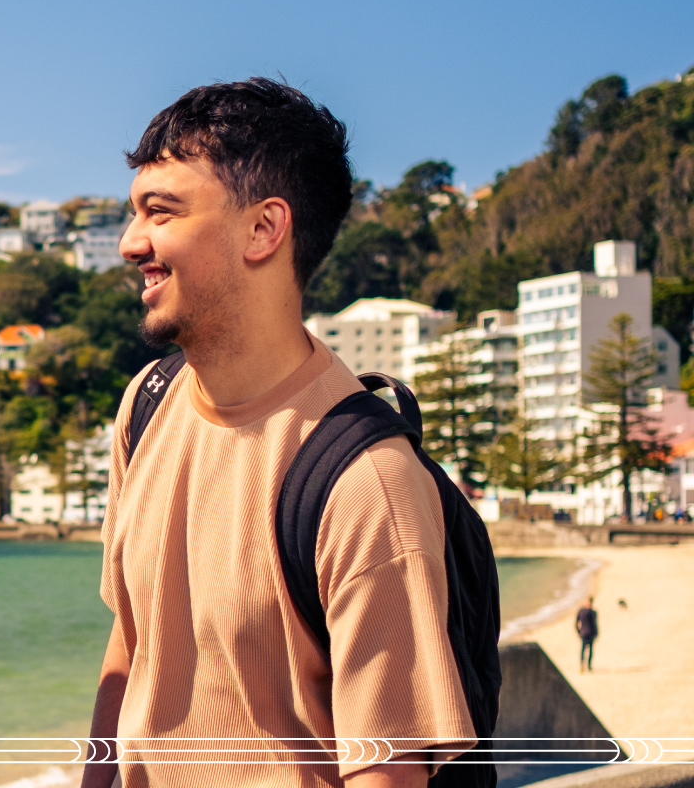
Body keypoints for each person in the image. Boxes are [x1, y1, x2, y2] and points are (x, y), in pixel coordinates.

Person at [82, 78, 476, 788]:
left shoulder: (367, 485)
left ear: (264, 229)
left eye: (160, 212)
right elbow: (131, 648)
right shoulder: (146, 404)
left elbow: (386, 774)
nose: (128, 243)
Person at [576, 597, 599, 672]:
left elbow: (576, 623)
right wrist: (596, 633)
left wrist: (579, 632)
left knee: (583, 649)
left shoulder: (581, 611)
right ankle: (588, 666)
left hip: (583, 633)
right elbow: (595, 624)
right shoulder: (593, 612)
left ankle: (582, 664)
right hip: (590, 633)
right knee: (590, 650)